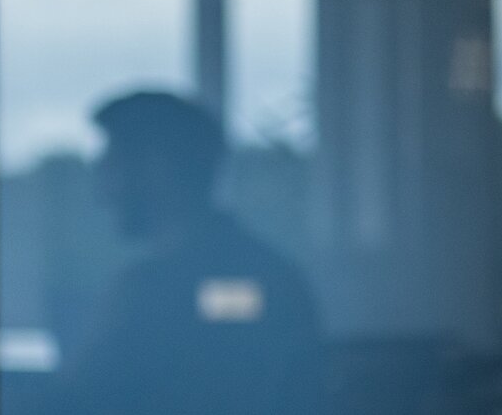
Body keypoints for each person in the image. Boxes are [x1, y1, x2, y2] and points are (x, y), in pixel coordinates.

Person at [58, 92, 328, 414]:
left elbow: (77, 398)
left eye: (113, 163)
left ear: (157, 166)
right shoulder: (265, 274)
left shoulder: (157, 291)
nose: (101, 190)